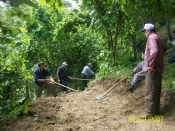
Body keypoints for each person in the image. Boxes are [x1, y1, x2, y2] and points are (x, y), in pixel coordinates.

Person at [140, 23, 166, 118]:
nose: (144, 33)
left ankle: (150, 113)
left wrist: (151, 64)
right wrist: (158, 61)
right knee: (156, 90)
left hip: (153, 68)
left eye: (144, 31)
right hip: (158, 67)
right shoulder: (157, 37)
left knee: (150, 91)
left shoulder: (151, 38)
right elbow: (163, 49)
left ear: (148, 30)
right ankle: (156, 110)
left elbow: (154, 51)